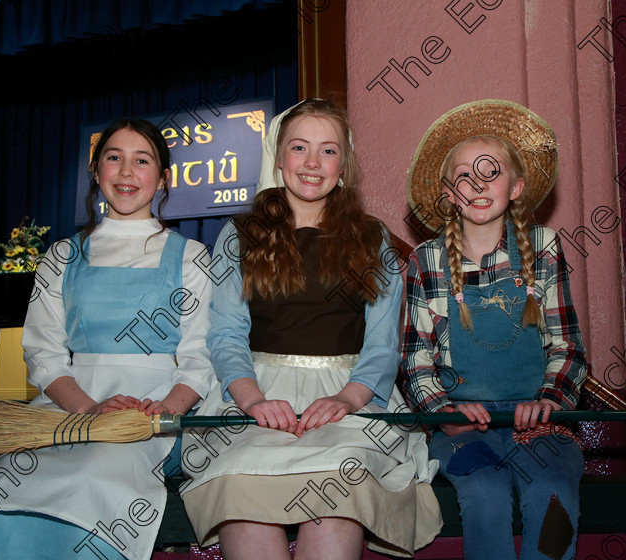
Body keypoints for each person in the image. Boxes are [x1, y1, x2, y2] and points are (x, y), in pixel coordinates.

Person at [0, 118, 214, 560]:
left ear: (162, 179)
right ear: (96, 171)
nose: (125, 172)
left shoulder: (191, 258)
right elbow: (43, 352)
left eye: (142, 161)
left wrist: (164, 411)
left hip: (152, 412)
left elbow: (202, 357)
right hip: (70, 408)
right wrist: (88, 411)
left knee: (95, 476)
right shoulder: (62, 255)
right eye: (113, 158)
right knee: (12, 479)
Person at [181, 98, 442, 560]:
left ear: (344, 164)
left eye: (328, 150)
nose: (312, 163)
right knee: (244, 490)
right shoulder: (238, 236)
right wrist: (254, 401)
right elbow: (225, 337)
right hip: (256, 394)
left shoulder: (373, 237)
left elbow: (382, 346)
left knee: (341, 491)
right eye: (300, 148)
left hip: (350, 398)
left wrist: (347, 398)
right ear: (279, 158)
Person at [401, 99, 589, 560]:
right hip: (463, 427)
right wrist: (444, 413)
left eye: (492, 172)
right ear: (448, 192)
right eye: (463, 175)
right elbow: (414, 358)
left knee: (551, 496)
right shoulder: (425, 262)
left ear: (517, 187)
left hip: (539, 426)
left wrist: (549, 401)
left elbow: (567, 345)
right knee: (484, 496)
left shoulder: (543, 249)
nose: (477, 185)